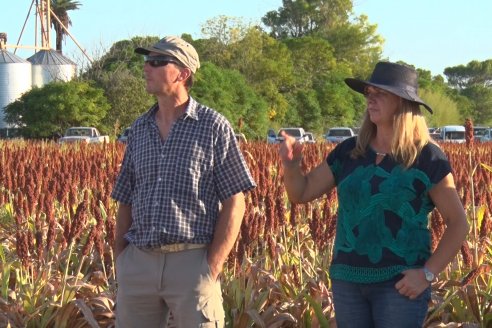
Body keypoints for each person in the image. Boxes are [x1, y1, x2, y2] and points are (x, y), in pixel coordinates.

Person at [279, 61, 468, 327]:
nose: (371, 100)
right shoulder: (349, 152)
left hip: (400, 285)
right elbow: (302, 192)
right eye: (369, 93)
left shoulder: (426, 157)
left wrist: (427, 274)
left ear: (403, 103)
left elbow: (459, 223)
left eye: (380, 94)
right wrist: (291, 166)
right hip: (347, 281)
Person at [111, 35, 256, 327]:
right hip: (139, 263)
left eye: (157, 61)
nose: (146, 68)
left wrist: (211, 267)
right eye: (146, 61)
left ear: (183, 73)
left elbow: (235, 202)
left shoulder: (213, 127)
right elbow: (125, 197)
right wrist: (121, 260)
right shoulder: (139, 129)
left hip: (191, 263)